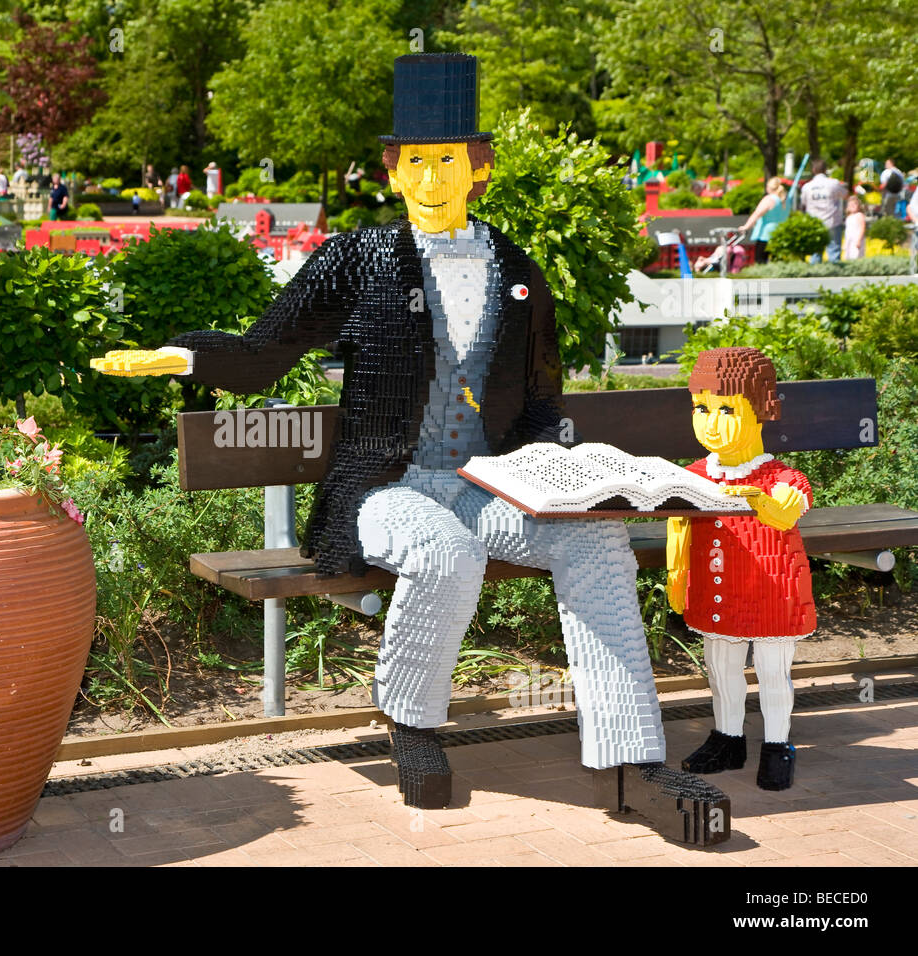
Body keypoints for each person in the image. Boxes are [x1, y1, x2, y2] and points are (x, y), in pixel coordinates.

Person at [91, 53, 730, 845]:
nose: (432, 179)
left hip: (490, 485)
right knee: (443, 553)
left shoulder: (520, 274)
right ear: (394, 172)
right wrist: (181, 356)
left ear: (479, 170)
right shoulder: (356, 261)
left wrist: (559, 476)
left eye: (449, 162)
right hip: (383, 489)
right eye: (417, 163)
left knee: (597, 542)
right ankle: (413, 722)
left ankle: (636, 760)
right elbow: (264, 354)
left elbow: (541, 403)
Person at [670, 347, 815, 791]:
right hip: (718, 589)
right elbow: (679, 528)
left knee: (772, 669)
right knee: (720, 663)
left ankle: (777, 746)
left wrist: (759, 501)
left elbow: (786, 512)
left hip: (773, 589)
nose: (710, 422)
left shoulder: (783, 477)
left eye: (727, 409)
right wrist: (677, 578)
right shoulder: (692, 475)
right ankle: (728, 737)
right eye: (701, 408)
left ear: (764, 410)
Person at [800, 159, 848, 263]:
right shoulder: (833, 183)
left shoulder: (807, 187)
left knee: (815, 253)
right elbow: (845, 195)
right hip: (832, 221)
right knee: (834, 252)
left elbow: (803, 203)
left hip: (815, 222)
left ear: (813, 170)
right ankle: (834, 276)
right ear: (825, 170)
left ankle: (815, 276)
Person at [735, 177, 790, 264]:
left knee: (760, 261)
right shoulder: (786, 200)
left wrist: (746, 226)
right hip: (781, 234)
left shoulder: (769, 199)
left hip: (766, 235)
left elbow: (757, 214)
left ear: (769, 187)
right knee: (778, 262)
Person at [842, 195, 867, 260]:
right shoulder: (849, 216)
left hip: (856, 240)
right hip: (849, 239)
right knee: (848, 256)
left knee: (856, 256)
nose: (852, 206)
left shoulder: (859, 215)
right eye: (850, 205)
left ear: (859, 206)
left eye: (854, 205)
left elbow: (862, 228)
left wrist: (859, 240)